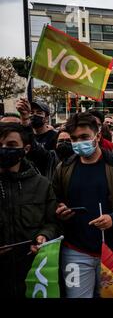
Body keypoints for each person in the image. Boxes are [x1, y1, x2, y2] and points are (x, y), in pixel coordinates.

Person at [52, 112, 113, 298]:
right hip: (75, 252)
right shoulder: (64, 167)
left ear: (98, 136)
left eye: (84, 137)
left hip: (111, 252)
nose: (79, 142)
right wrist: (59, 209)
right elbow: (54, 199)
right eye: (74, 138)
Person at [0, 123, 61, 298]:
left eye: (11, 146)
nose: (4, 150)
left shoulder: (41, 184)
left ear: (25, 149)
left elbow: (52, 222)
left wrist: (44, 236)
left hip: (31, 272)